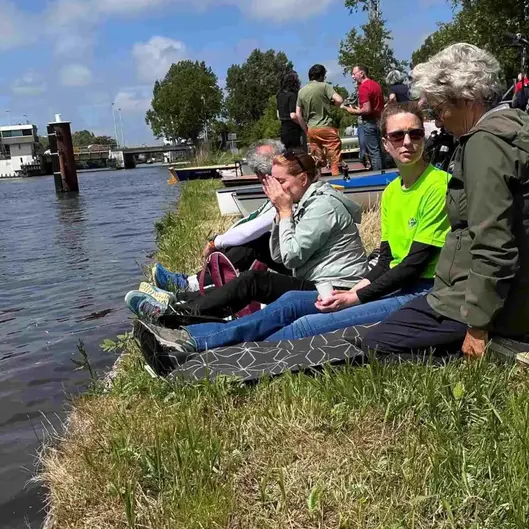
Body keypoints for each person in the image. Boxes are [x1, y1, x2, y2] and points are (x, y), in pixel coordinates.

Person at [139, 104, 450, 360]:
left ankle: (203, 349)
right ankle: (188, 336)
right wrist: (353, 294)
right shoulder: (393, 190)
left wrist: (354, 296)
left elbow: (413, 266)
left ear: (424, 137)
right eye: (398, 135)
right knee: (288, 303)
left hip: (418, 291)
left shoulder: (438, 185)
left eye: (415, 133)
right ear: (385, 143)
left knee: (303, 326)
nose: (407, 142)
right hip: (383, 284)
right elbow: (386, 259)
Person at [357, 41, 529, 361]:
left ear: (468, 99)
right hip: (526, 297)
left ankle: (499, 350)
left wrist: (478, 324)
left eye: (440, 109)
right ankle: (521, 330)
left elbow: (493, 242)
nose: (439, 121)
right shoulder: (528, 134)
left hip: (479, 304)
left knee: (375, 344)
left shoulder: (484, 145)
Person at [126, 149, 366, 324]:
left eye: (280, 181)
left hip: (334, 289)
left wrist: (283, 212)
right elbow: (281, 252)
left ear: (303, 179)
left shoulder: (322, 207)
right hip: (315, 275)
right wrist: (280, 214)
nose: (275, 187)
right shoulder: (303, 200)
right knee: (259, 247)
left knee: (253, 281)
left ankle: (176, 316)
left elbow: (292, 258)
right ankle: (178, 299)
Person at [150, 140, 285, 291]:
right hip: (288, 255)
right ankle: (193, 280)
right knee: (240, 241)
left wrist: (216, 243)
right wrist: (222, 239)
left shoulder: (287, 195)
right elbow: (251, 220)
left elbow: (253, 229)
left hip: (297, 268)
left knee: (254, 244)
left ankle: (191, 286)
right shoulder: (283, 190)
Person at [295, 65, 344, 176]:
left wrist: (306, 129)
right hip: (326, 126)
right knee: (334, 154)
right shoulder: (325, 86)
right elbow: (340, 100)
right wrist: (332, 102)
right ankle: (336, 176)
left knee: (316, 157)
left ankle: (316, 178)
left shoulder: (301, 91)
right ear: (321, 76)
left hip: (312, 129)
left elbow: (298, 114)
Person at [342, 65, 385, 170]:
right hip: (380, 120)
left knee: (374, 152)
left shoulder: (363, 87)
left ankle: (378, 175)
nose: (353, 77)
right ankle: (385, 172)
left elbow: (366, 110)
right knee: (381, 150)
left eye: (354, 74)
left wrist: (352, 111)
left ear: (361, 73)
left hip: (369, 122)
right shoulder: (376, 85)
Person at [276, 70, 305, 150]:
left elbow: (278, 114)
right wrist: (303, 125)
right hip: (293, 130)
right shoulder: (293, 95)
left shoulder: (279, 95)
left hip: (283, 128)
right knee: (298, 153)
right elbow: (293, 115)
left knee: (288, 155)